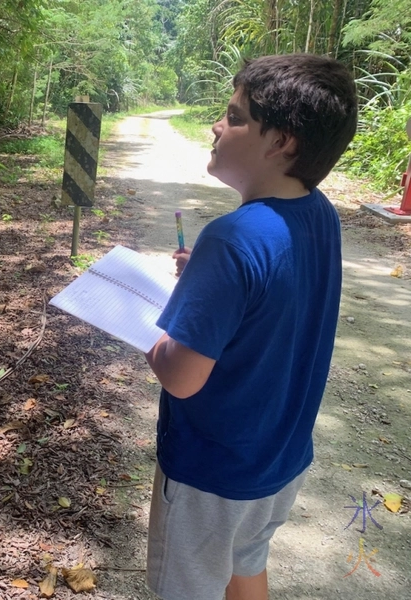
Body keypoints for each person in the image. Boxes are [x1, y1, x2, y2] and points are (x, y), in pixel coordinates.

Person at [143, 54, 358, 600]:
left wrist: (149, 331)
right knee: (245, 566)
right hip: (279, 459)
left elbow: (182, 377)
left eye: (235, 117)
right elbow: (275, 297)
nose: (216, 126)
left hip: (212, 474)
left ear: (281, 142)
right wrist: (205, 281)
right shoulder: (320, 213)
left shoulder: (231, 237)